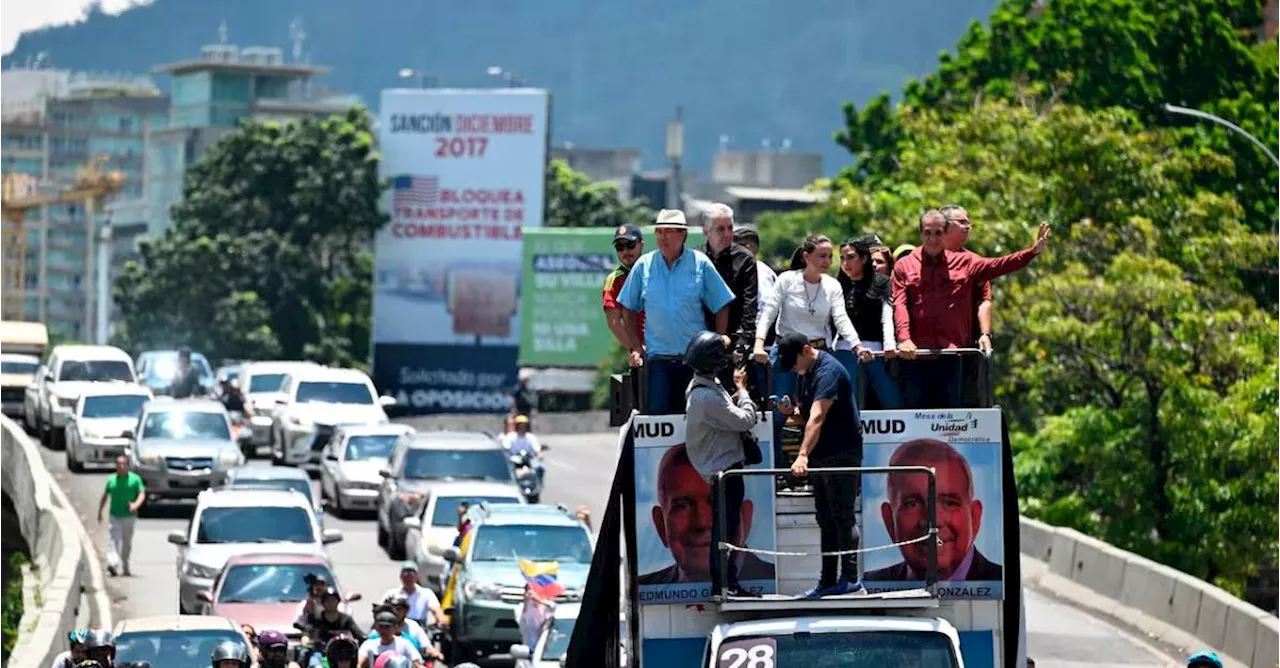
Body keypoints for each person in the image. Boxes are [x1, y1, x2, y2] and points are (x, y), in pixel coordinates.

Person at [892, 211, 1050, 408]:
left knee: (951, 417)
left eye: (938, 233)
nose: (933, 239)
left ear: (945, 233)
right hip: (916, 355)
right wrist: (904, 338)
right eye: (927, 233)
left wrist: (1032, 252)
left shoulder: (965, 262)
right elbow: (899, 303)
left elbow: (999, 265)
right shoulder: (904, 265)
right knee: (916, 414)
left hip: (952, 355)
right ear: (920, 234)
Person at [754, 234, 868, 474]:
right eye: (822, 256)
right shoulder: (787, 280)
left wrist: (857, 346)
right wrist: (759, 344)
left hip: (817, 353)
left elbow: (841, 318)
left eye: (830, 256)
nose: (827, 261)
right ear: (806, 256)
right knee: (779, 413)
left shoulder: (832, 285)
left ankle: (815, 467)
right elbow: (769, 312)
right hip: (787, 353)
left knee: (818, 413)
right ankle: (778, 473)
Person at [617, 208, 735, 414]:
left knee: (695, 418)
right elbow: (627, 307)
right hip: (658, 360)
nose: (663, 237)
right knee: (660, 420)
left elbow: (721, 304)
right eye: (659, 232)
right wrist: (636, 347)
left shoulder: (700, 263)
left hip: (695, 361)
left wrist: (718, 340)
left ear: (683, 235)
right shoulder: (644, 265)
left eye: (669, 231)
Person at [776, 332, 866, 598]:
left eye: (793, 362)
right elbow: (805, 413)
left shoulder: (829, 371)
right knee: (825, 518)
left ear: (806, 350)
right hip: (821, 454)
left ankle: (850, 580)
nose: (792, 369)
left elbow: (817, 417)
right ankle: (827, 582)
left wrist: (801, 454)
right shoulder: (805, 373)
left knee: (843, 515)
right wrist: (790, 412)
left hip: (842, 452)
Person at [682, 330, 760, 596]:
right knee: (726, 530)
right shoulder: (708, 397)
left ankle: (726, 582)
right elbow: (745, 420)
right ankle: (725, 584)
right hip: (724, 469)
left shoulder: (701, 387)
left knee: (725, 527)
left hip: (719, 467)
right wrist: (742, 390)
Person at [864, 438, 1003, 582]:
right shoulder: (869, 586)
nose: (933, 521)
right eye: (912, 504)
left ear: (974, 518)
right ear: (889, 522)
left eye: (949, 503)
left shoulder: (1005, 582)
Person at [637, 444, 775, 585]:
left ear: (746, 517)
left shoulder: (776, 581)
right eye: (682, 506)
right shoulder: (642, 589)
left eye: (716, 502)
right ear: (660, 524)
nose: (702, 522)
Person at [835, 235, 901, 409]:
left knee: (890, 396)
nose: (845, 263)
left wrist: (889, 344)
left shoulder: (881, 282)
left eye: (851, 257)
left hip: (876, 349)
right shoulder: (837, 285)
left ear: (864, 259)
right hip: (845, 348)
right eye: (842, 258)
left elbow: (887, 315)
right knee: (851, 398)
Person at [699, 204, 758, 390]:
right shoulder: (695, 257)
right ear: (706, 232)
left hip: (733, 342)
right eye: (720, 229)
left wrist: (743, 342)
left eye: (730, 228)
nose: (727, 234)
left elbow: (750, 304)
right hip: (700, 342)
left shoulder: (745, 259)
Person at [733, 225, 778, 405]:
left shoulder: (761, 272)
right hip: (744, 341)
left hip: (757, 345)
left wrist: (750, 338)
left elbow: (765, 309)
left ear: (748, 248)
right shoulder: (740, 269)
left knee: (759, 397)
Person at [602, 223, 646, 360]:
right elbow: (614, 323)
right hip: (643, 352)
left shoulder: (655, 270)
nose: (625, 251)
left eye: (630, 245)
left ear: (641, 245)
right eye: (620, 247)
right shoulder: (614, 280)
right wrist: (636, 348)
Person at [97, 454, 144, 576]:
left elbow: (141, 494)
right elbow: (105, 496)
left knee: (126, 542)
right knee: (114, 540)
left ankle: (125, 564)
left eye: (123, 464)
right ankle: (112, 564)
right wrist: (100, 511)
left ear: (128, 466)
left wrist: (135, 505)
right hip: (115, 515)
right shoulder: (111, 480)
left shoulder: (135, 479)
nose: (121, 466)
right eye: (118, 464)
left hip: (129, 516)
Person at [296, 587, 365, 663]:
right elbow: (307, 631)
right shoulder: (315, 619)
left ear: (338, 601)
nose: (330, 603)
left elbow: (359, 635)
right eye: (327, 600)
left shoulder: (345, 619)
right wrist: (305, 638)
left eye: (333, 600)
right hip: (320, 653)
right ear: (323, 603)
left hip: (341, 654)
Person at [380, 561, 444, 629]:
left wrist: (441, 620)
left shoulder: (426, 593)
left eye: (411, 576)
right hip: (396, 627)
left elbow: (436, 609)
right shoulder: (391, 593)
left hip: (419, 628)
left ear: (417, 576)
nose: (408, 579)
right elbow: (380, 610)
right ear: (401, 577)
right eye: (405, 576)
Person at [357, 611, 423, 668]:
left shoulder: (404, 644)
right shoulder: (369, 645)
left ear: (395, 628)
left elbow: (417, 664)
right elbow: (359, 664)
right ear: (377, 628)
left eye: (387, 627)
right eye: (381, 626)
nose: (383, 630)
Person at [501, 415, 545, 484]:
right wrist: (509, 457)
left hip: (528, 460)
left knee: (541, 467)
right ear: (516, 426)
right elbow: (505, 449)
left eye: (524, 425)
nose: (522, 427)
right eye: (520, 425)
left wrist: (539, 456)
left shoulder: (531, 437)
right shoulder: (510, 436)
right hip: (514, 461)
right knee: (508, 469)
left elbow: (537, 451)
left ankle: (538, 484)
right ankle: (511, 483)